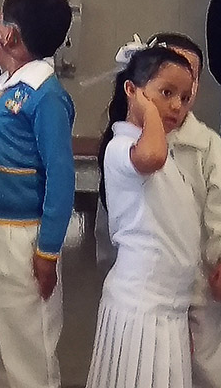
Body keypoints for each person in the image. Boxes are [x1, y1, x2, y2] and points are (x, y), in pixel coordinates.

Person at [0, 0, 74, 388]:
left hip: (22, 238)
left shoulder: (44, 96)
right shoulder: (6, 87)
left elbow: (60, 176)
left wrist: (47, 249)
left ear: (9, 35)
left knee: (28, 348)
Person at [86, 45, 199, 388]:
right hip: (141, 308)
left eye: (184, 96)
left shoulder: (165, 151)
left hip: (168, 309)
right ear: (132, 91)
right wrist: (146, 109)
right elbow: (150, 157)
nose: (177, 106)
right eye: (166, 93)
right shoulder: (123, 147)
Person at [142, 32, 221, 388]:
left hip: (198, 284)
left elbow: (218, 211)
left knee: (203, 366)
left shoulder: (207, 145)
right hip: (149, 286)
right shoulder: (131, 140)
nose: (178, 93)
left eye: (189, 77)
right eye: (167, 84)